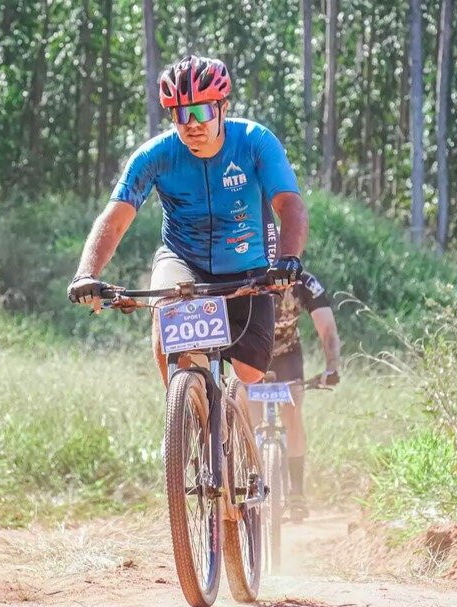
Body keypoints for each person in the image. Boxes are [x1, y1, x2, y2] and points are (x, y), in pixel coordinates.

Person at [67, 55, 309, 385]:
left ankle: (230, 415)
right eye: (181, 114)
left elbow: (290, 206)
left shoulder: (255, 142)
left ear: (223, 107)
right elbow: (116, 218)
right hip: (183, 258)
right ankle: (179, 419)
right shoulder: (155, 155)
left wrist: (288, 259)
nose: (192, 123)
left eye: (202, 111)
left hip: (248, 263)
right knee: (165, 309)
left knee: (250, 373)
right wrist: (86, 274)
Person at [252, 271, 341, 520]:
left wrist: (332, 366)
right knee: (249, 420)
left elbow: (328, 329)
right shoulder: (248, 274)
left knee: (292, 415)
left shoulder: (306, 283)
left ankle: (296, 493)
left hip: (287, 356)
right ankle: (249, 482)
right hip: (252, 354)